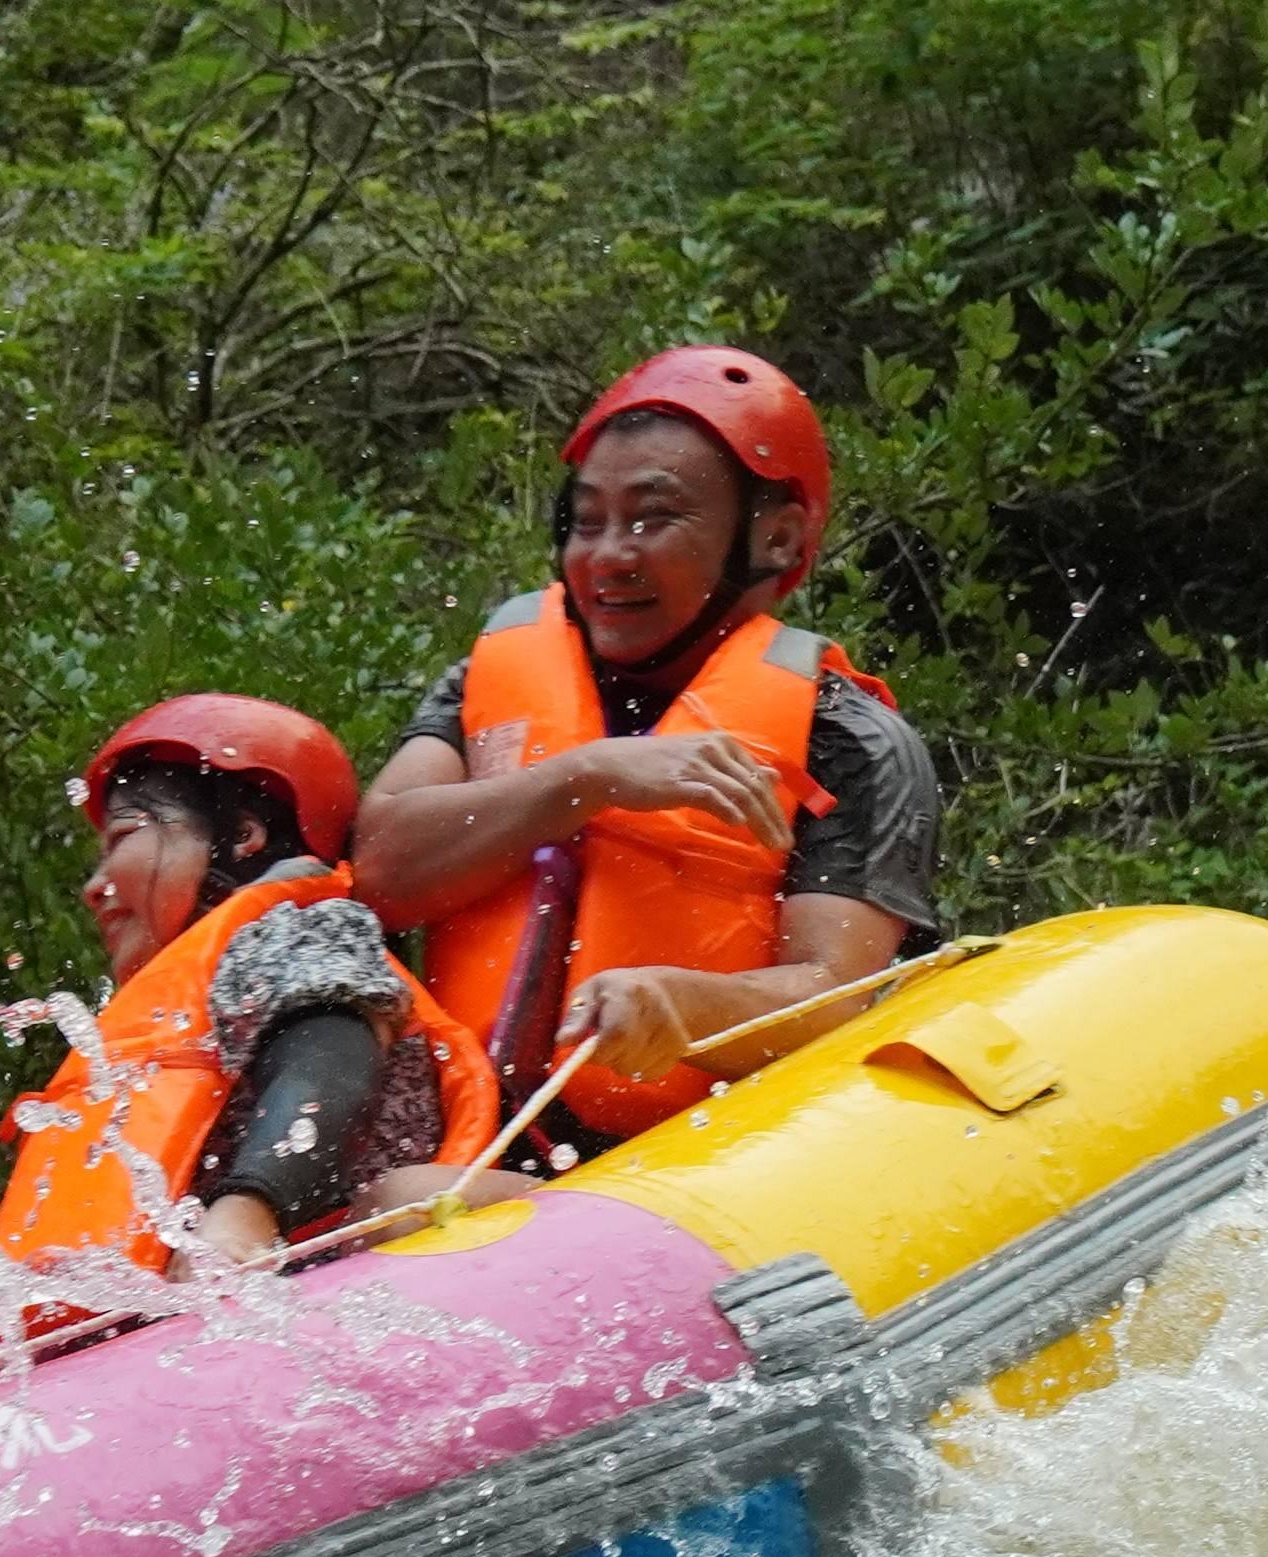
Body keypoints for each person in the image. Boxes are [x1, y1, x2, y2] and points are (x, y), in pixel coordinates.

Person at [341, 344, 942, 1180]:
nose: (609, 556)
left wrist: (679, 1005)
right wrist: (586, 779)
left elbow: (840, 1000)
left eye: (652, 519)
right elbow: (380, 870)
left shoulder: (848, 738)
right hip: (462, 1141)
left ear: (774, 539)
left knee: (403, 1199)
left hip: (700, 1169)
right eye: (587, 522)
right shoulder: (485, 679)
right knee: (398, 1188)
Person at [0, 694, 495, 1291]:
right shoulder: (185, 996)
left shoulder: (294, 926)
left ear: (244, 836)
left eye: (124, 836)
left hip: (359, 1257)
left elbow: (330, 1049)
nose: (94, 889)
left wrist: (248, 1210)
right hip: (256, 1296)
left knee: (404, 1197)